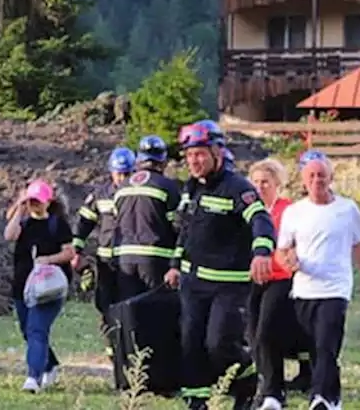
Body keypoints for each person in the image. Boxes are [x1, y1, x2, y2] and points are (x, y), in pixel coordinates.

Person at [170, 120, 275, 410]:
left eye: (200, 154)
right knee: (191, 342)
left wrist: (262, 252)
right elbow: (186, 230)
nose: (194, 161)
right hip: (193, 283)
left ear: (217, 152)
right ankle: (197, 401)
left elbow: (260, 219)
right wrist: (175, 264)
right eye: (189, 155)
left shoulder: (238, 187)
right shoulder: (191, 188)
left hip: (230, 285)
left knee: (219, 344)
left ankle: (249, 384)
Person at [276, 155, 360, 410]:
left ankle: (319, 398)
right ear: (303, 181)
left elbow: (359, 245)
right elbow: (282, 249)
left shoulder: (347, 209)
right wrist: (289, 260)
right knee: (314, 347)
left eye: (321, 175)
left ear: (331, 178)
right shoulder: (294, 212)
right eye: (311, 176)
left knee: (327, 342)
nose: (317, 180)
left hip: (336, 287)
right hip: (305, 288)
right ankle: (334, 398)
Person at [244, 158, 310, 409]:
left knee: (266, 332)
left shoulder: (287, 210)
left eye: (265, 182)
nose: (260, 187)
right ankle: (266, 382)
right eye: (256, 182)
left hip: (280, 277)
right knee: (251, 335)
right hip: (252, 278)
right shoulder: (247, 209)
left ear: (277, 185)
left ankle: (273, 390)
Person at [5, 179, 76, 393]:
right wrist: (19, 206)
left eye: (37, 201)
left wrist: (49, 259)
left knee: (37, 329)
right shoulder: (23, 224)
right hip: (23, 286)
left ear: (48, 201)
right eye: (31, 201)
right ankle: (50, 365)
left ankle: (33, 378)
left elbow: (69, 252)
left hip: (49, 288)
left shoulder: (57, 224)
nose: (34, 205)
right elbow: (9, 235)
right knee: (28, 331)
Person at [74, 146, 134, 358]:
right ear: (111, 172)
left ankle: (128, 348)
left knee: (129, 305)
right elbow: (84, 222)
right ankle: (112, 348)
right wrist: (76, 249)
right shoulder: (100, 195)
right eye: (119, 174)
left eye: (127, 174)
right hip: (106, 260)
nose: (123, 178)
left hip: (130, 259)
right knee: (105, 305)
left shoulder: (137, 192)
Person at [111, 135, 181, 299]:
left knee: (130, 312)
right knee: (154, 311)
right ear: (163, 161)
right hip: (156, 258)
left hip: (124, 258)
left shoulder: (122, 187)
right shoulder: (167, 186)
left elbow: (115, 224)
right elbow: (178, 226)